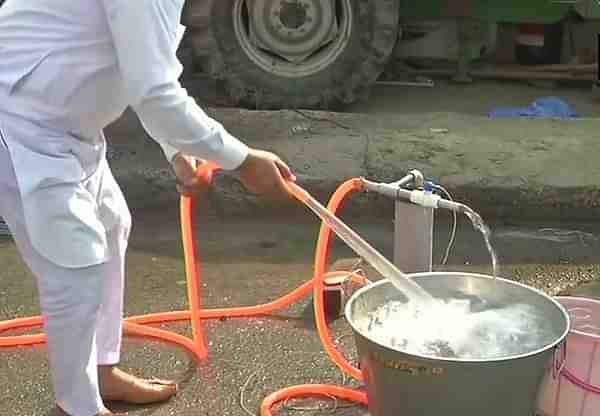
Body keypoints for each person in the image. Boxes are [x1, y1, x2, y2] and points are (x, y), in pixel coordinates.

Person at [0, 1, 296, 415]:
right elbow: (154, 93)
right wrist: (242, 160)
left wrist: (178, 148)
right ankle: (78, 407)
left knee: (110, 224)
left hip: (65, 126)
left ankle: (102, 373)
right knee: (75, 264)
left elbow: (146, 60)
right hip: (20, 121)